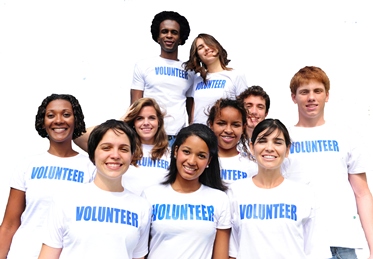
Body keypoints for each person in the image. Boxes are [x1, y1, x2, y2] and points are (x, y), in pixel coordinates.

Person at [283, 66, 373, 258]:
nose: (311, 97)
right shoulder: (282, 139)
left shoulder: (346, 136)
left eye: (317, 91)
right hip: (297, 243)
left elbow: (362, 193)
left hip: (341, 243)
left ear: (327, 95)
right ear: (293, 97)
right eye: (304, 92)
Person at [38, 119, 152, 259]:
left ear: (131, 156)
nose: (115, 155)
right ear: (92, 154)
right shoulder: (65, 199)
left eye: (123, 149)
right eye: (106, 148)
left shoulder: (141, 207)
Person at [0, 94, 96, 259]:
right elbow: (9, 224)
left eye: (66, 114)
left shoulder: (91, 167)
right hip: (24, 253)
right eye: (51, 115)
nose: (58, 120)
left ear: (76, 120)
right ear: (43, 122)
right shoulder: (27, 165)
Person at [228, 119, 317, 258]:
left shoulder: (303, 194)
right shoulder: (236, 192)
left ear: (287, 149)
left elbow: (315, 252)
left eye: (277, 142)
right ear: (252, 147)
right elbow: (232, 252)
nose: (269, 148)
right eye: (263, 141)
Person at [142, 123, 231, 259]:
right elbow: (139, 252)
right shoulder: (151, 195)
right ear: (176, 151)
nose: (191, 161)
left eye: (201, 156)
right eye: (187, 152)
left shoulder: (219, 199)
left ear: (209, 161)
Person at [74, 97, 170, 196]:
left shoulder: (170, 154)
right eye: (140, 118)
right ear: (133, 123)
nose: (146, 123)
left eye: (151, 118)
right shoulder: (122, 150)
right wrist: (121, 121)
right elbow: (78, 136)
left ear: (159, 122)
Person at [130, 11, 194, 146]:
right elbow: (135, 105)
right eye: (164, 31)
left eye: (174, 32)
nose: (169, 35)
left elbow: (191, 108)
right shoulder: (143, 65)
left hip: (178, 137)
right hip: (150, 135)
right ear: (158, 36)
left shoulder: (190, 70)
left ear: (181, 38)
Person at [183, 33, 248, 125]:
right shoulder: (196, 79)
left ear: (217, 47)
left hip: (223, 134)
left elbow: (244, 108)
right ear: (197, 56)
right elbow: (193, 110)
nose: (206, 48)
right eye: (200, 47)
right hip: (199, 134)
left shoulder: (235, 75)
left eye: (209, 43)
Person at [207, 98, 257, 186]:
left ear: (243, 127)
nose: (228, 130)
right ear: (211, 124)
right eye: (221, 123)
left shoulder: (252, 166)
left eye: (235, 125)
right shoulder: (203, 161)